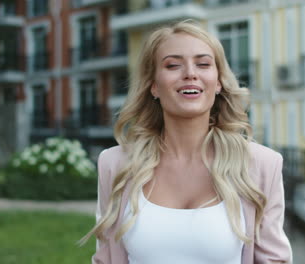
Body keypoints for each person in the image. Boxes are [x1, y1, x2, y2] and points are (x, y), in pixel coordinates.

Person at [81, 20, 292, 264]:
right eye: (173, 65)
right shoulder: (115, 163)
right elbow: (106, 259)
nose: (190, 73)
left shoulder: (263, 164)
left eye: (203, 64)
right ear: (154, 86)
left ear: (218, 82)